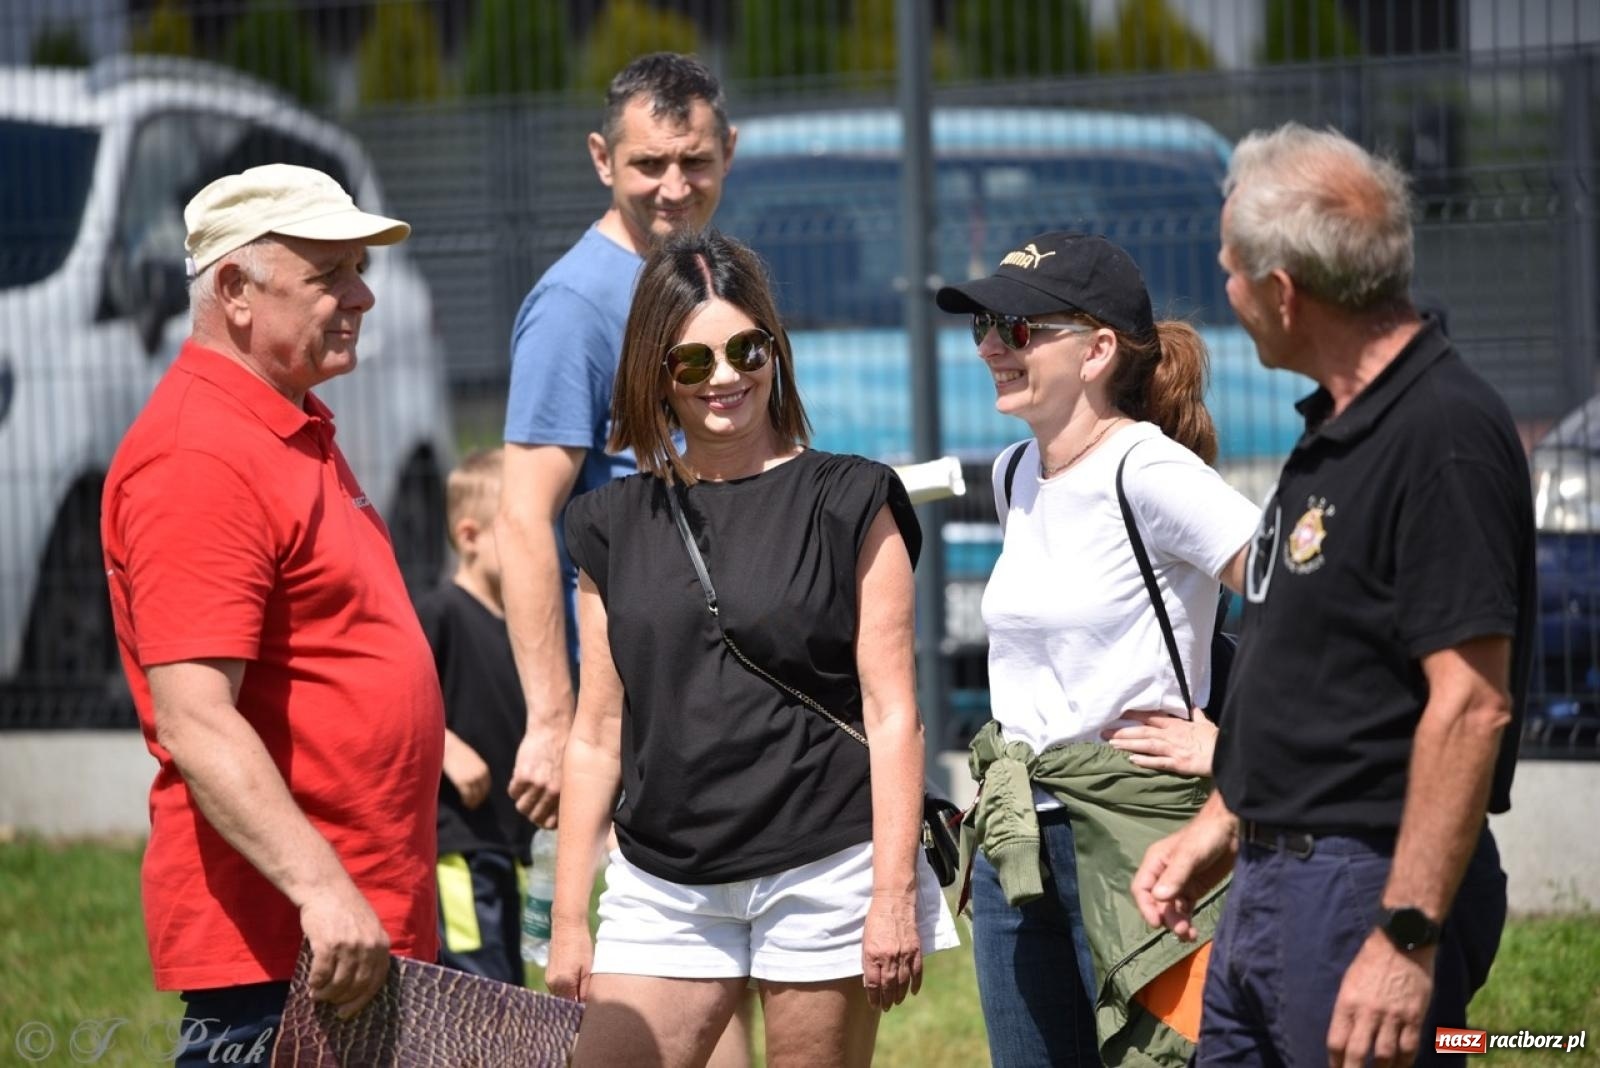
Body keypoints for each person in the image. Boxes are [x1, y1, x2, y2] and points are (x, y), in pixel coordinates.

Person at [1132, 123, 1534, 1068]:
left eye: (1230, 270)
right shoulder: (1339, 426)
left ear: (1283, 291)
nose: (1223, 292)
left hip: (1362, 888)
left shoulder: (1441, 435)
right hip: (1272, 882)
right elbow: (1310, 674)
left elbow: (1471, 705)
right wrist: (1220, 828)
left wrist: (1404, 937)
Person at [545, 230, 959, 1067]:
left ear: (775, 347)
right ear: (654, 376)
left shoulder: (850, 498)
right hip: (663, 879)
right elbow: (595, 733)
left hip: (823, 870)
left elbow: (893, 711)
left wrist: (890, 898)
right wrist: (564, 921)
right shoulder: (611, 525)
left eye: (746, 349)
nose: (726, 377)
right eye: (692, 363)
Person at [100, 164, 443, 1064]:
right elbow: (197, 719)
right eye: (330, 274)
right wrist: (323, 888)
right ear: (234, 290)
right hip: (286, 958)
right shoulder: (198, 457)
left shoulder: (287, 424)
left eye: (358, 269)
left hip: (345, 941)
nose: (363, 295)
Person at [932, 231, 1260, 1068]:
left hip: (1134, 837)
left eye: (1018, 329)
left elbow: (1300, 599)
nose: (992, 348)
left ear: (1098, 349)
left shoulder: (1147, 469)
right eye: (983, 329)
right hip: (1020, 839)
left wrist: (1239, 746)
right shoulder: (1015, 474)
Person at [500, 52, 737, 831]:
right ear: (603, 160)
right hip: (622, 692)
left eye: (695, 161)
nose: (674, 187)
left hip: (703, 676)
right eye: (650, 164)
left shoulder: (707, 279)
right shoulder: (574, 307)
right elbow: (525, 517)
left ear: (728, 150)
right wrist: (552, 721)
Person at [415, 447, 534, 985]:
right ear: (469, 536)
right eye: (519, 529)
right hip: (457, 848)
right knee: (475, 983)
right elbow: (396, 704)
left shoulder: (521, 628)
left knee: (506, 977)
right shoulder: (439, 613)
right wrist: (447, 748)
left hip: (501, 845)